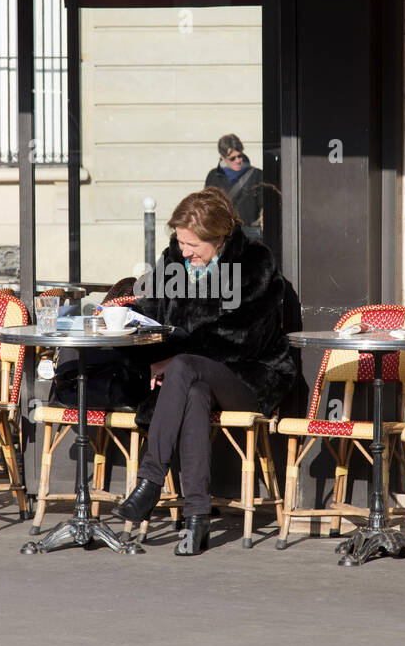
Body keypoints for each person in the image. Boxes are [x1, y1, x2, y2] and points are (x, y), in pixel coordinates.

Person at [109, 188, 297, 554]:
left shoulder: (254, 265)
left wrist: (176, 357)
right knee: (191, 391)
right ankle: (197, 520)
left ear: (219, 237)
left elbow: (243, 339)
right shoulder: (174, 262)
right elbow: (154, 311)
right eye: (180, 242)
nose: (183, 252)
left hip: (249, 378)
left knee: (182, 365)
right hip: (190, 381)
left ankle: (148, 482)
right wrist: (127, 322)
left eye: (192, 244)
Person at [204, 134, 263, 240]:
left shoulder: (257, 175)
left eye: (239, 156)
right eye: (232, 158)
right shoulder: (213, 177)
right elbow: (207, 208)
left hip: (249, 239)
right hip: (223, 239)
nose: (238, 160)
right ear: (223, 158)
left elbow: (265, 209)